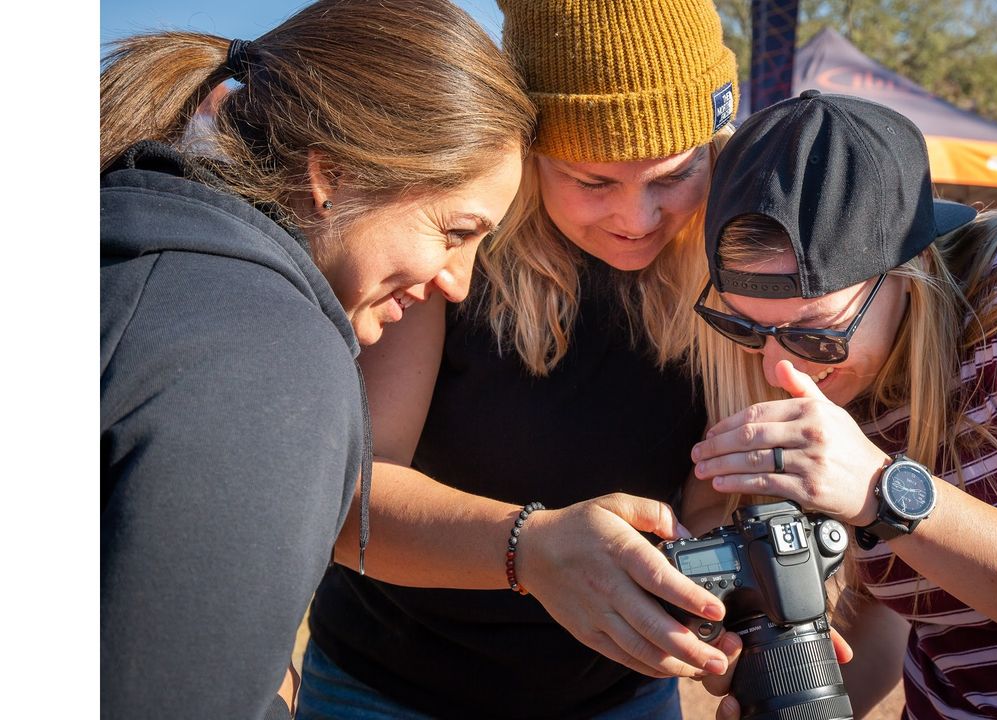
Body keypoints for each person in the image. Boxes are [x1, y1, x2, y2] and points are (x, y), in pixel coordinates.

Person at [298, 1, 747, 718]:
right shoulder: (449, 258)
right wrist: (530, 549)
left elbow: (714, 500)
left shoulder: (731, 264)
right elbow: (348, 501)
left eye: (674, 174)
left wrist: (731, 613)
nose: (637, 219)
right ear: (526, 151)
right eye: (592, 181)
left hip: (619, 695)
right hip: (391, 687)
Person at [99, 1, 535, 718]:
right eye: (456, 231)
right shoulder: (270, 361)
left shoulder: (131, 246)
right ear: (331, 176)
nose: (458, 282)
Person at [689, 91, 997, 719]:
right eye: (746, 328)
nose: (780, 367)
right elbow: (909, 614)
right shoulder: (854, 368)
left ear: (913, 267)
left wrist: (883, 490)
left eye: (816, 332)